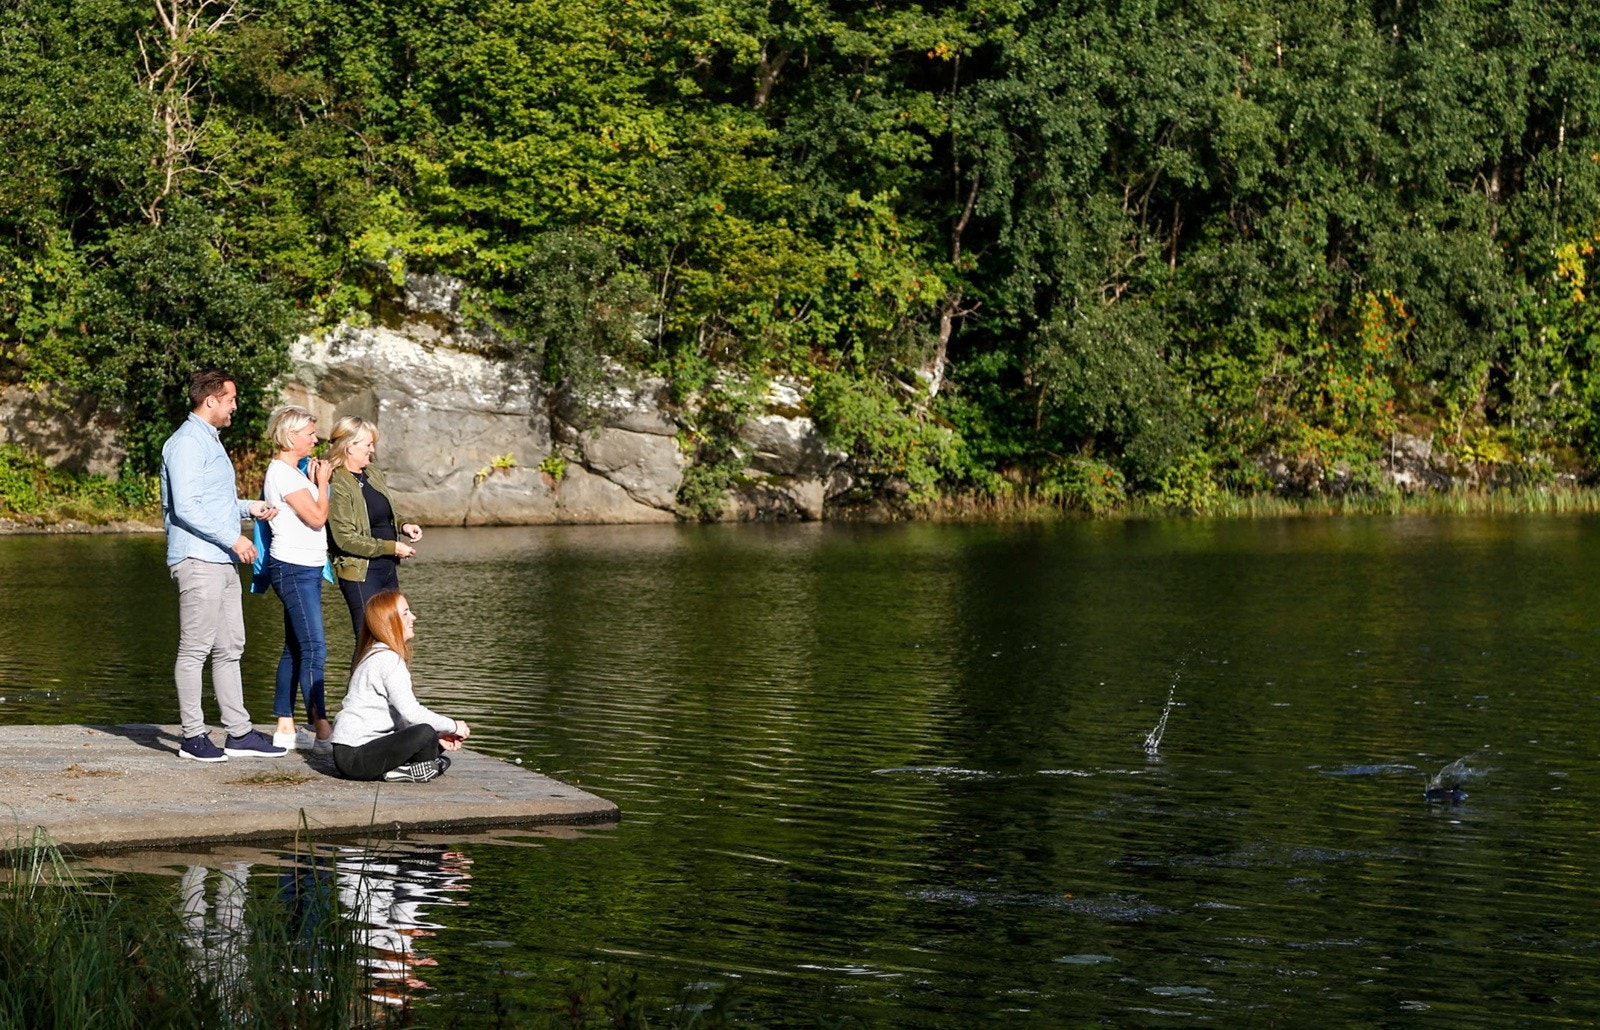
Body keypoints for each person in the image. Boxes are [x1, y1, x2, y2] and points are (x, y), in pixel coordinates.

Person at [160, 368, 287, 762]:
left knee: (231, 646)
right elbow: (186, 507)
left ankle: (239, 732)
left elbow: (212, 503)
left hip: (221, 559)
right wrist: (234, 538)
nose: (235, 405)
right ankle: (193, 736)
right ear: (210, 400)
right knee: (195, 649)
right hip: (199, 559)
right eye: (230, 398)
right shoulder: (185, 444)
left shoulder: (208, 442)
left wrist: (249, 508)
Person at [329, 590, 470, 782]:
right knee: (425, 731)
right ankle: (400, 770)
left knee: (430, 739)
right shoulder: (388, 659)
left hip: (356, 754)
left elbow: (398, 718)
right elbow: (411, 713)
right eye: (405, 613)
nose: (413, 617)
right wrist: (454, 726)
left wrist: (438, 738)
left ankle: (404, 769)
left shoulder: (378, 654)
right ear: (388, 622)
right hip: (355, 757)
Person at [262, 404, 335, 751]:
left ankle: (285, 725)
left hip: (305, 567)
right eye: (309, 434)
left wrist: (314, 479)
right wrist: (323, 484)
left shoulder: (293, 473)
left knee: (295, 647)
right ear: (291, 436)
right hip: (292, 568)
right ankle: (322, 729)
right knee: (314, 647)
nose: (314, 439)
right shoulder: (282, 473)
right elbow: (318, 517)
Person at [326, 417, 423, 637]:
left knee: (393, 636)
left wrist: (404, 524)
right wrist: (393, 547)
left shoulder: (372, 473)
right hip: (361, 572)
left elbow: (386, 511)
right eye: (368, 444)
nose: (372, 449)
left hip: (387, 569)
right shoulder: (337, 481)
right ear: (350, 446)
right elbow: (344, 538)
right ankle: (362, 674)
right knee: (368, 639)